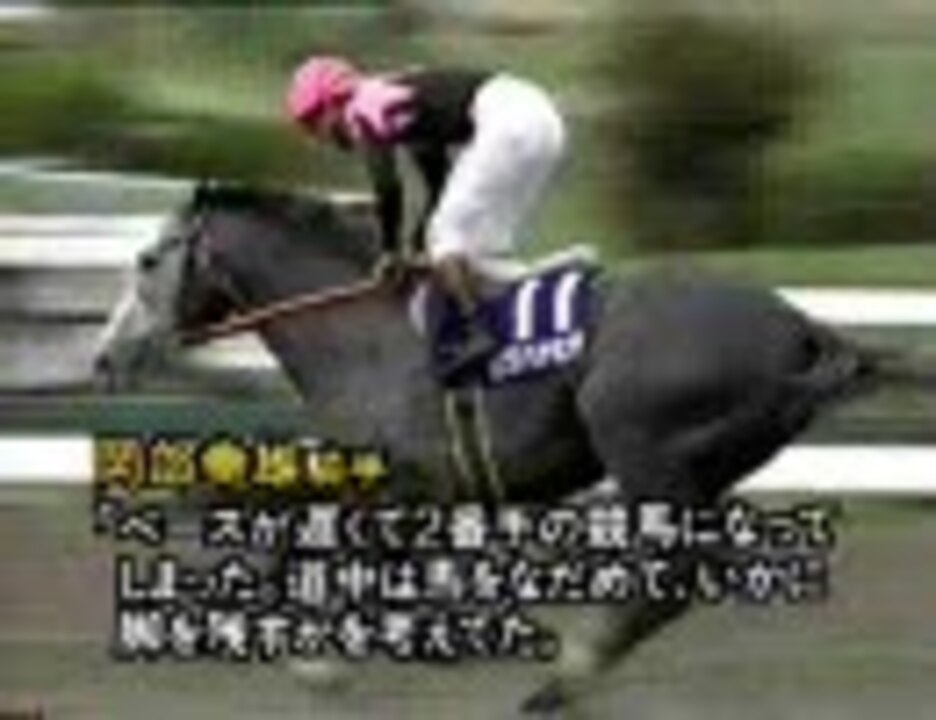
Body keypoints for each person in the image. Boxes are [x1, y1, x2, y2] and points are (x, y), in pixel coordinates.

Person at [286, 56, 567, 374]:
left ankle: (480, 334)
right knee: (481, 245)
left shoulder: (362, 107)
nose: (321, 138)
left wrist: (390, 252)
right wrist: (416, 249)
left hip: (509, 120)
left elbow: (387, 188)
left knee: (447, 237)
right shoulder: (401, 105)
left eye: (314, 124)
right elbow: (437, 188)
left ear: (332, 104)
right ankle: (529, 320)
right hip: (543, 118)